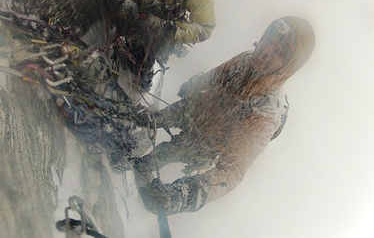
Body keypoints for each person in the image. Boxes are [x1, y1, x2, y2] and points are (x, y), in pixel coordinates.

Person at [132, 16, 316, 215]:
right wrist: (196, 84)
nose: (266, 50)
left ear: (288, 66)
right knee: (150, 121)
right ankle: (135, 143)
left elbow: (231, 171)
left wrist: (181, 196)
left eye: (280, 52)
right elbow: (215, 76)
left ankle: (137, 172)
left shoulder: (266, 111)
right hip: (193, 110)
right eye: (269, 39)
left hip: (204, 143)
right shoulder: (245, 59)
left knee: (161, 155)